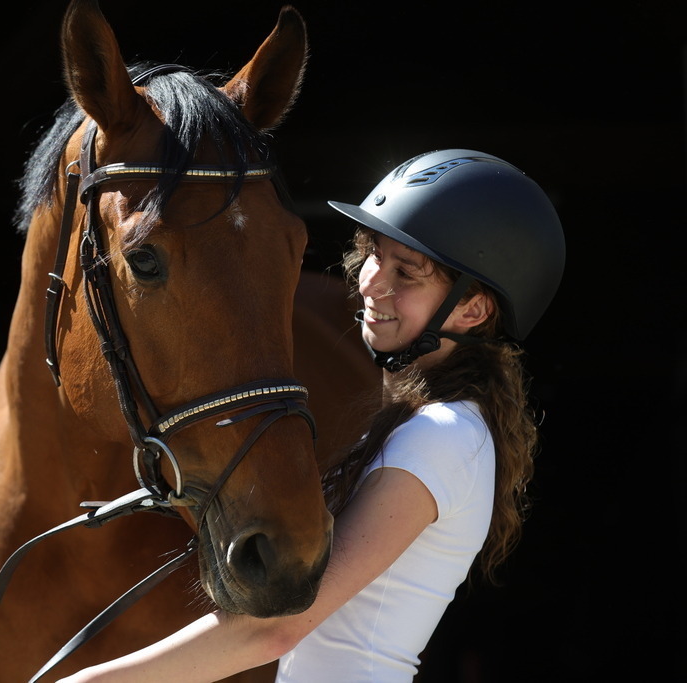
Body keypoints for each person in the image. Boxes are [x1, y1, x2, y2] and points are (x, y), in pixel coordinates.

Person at [57, 149, 566, 683]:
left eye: (406, 273)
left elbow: (275, 629)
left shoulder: (442, 436)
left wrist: (89, 681)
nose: (371, 284)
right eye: (375, 255)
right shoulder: (418, 428)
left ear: (472, 310)